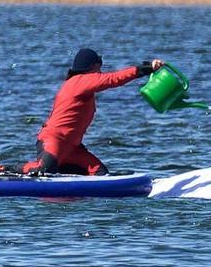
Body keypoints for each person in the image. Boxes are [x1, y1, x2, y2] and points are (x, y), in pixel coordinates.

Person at [21, 48, 163, 176]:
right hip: (53, 141)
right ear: (92, 66)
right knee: (44, 171)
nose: (100, 71)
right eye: (99, 67)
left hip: (72, 148)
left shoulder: (81, 84)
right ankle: (4, 169)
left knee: (100, 173)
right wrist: (147, 68)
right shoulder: (80, 81)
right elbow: (113, 79)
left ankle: (59, 170)